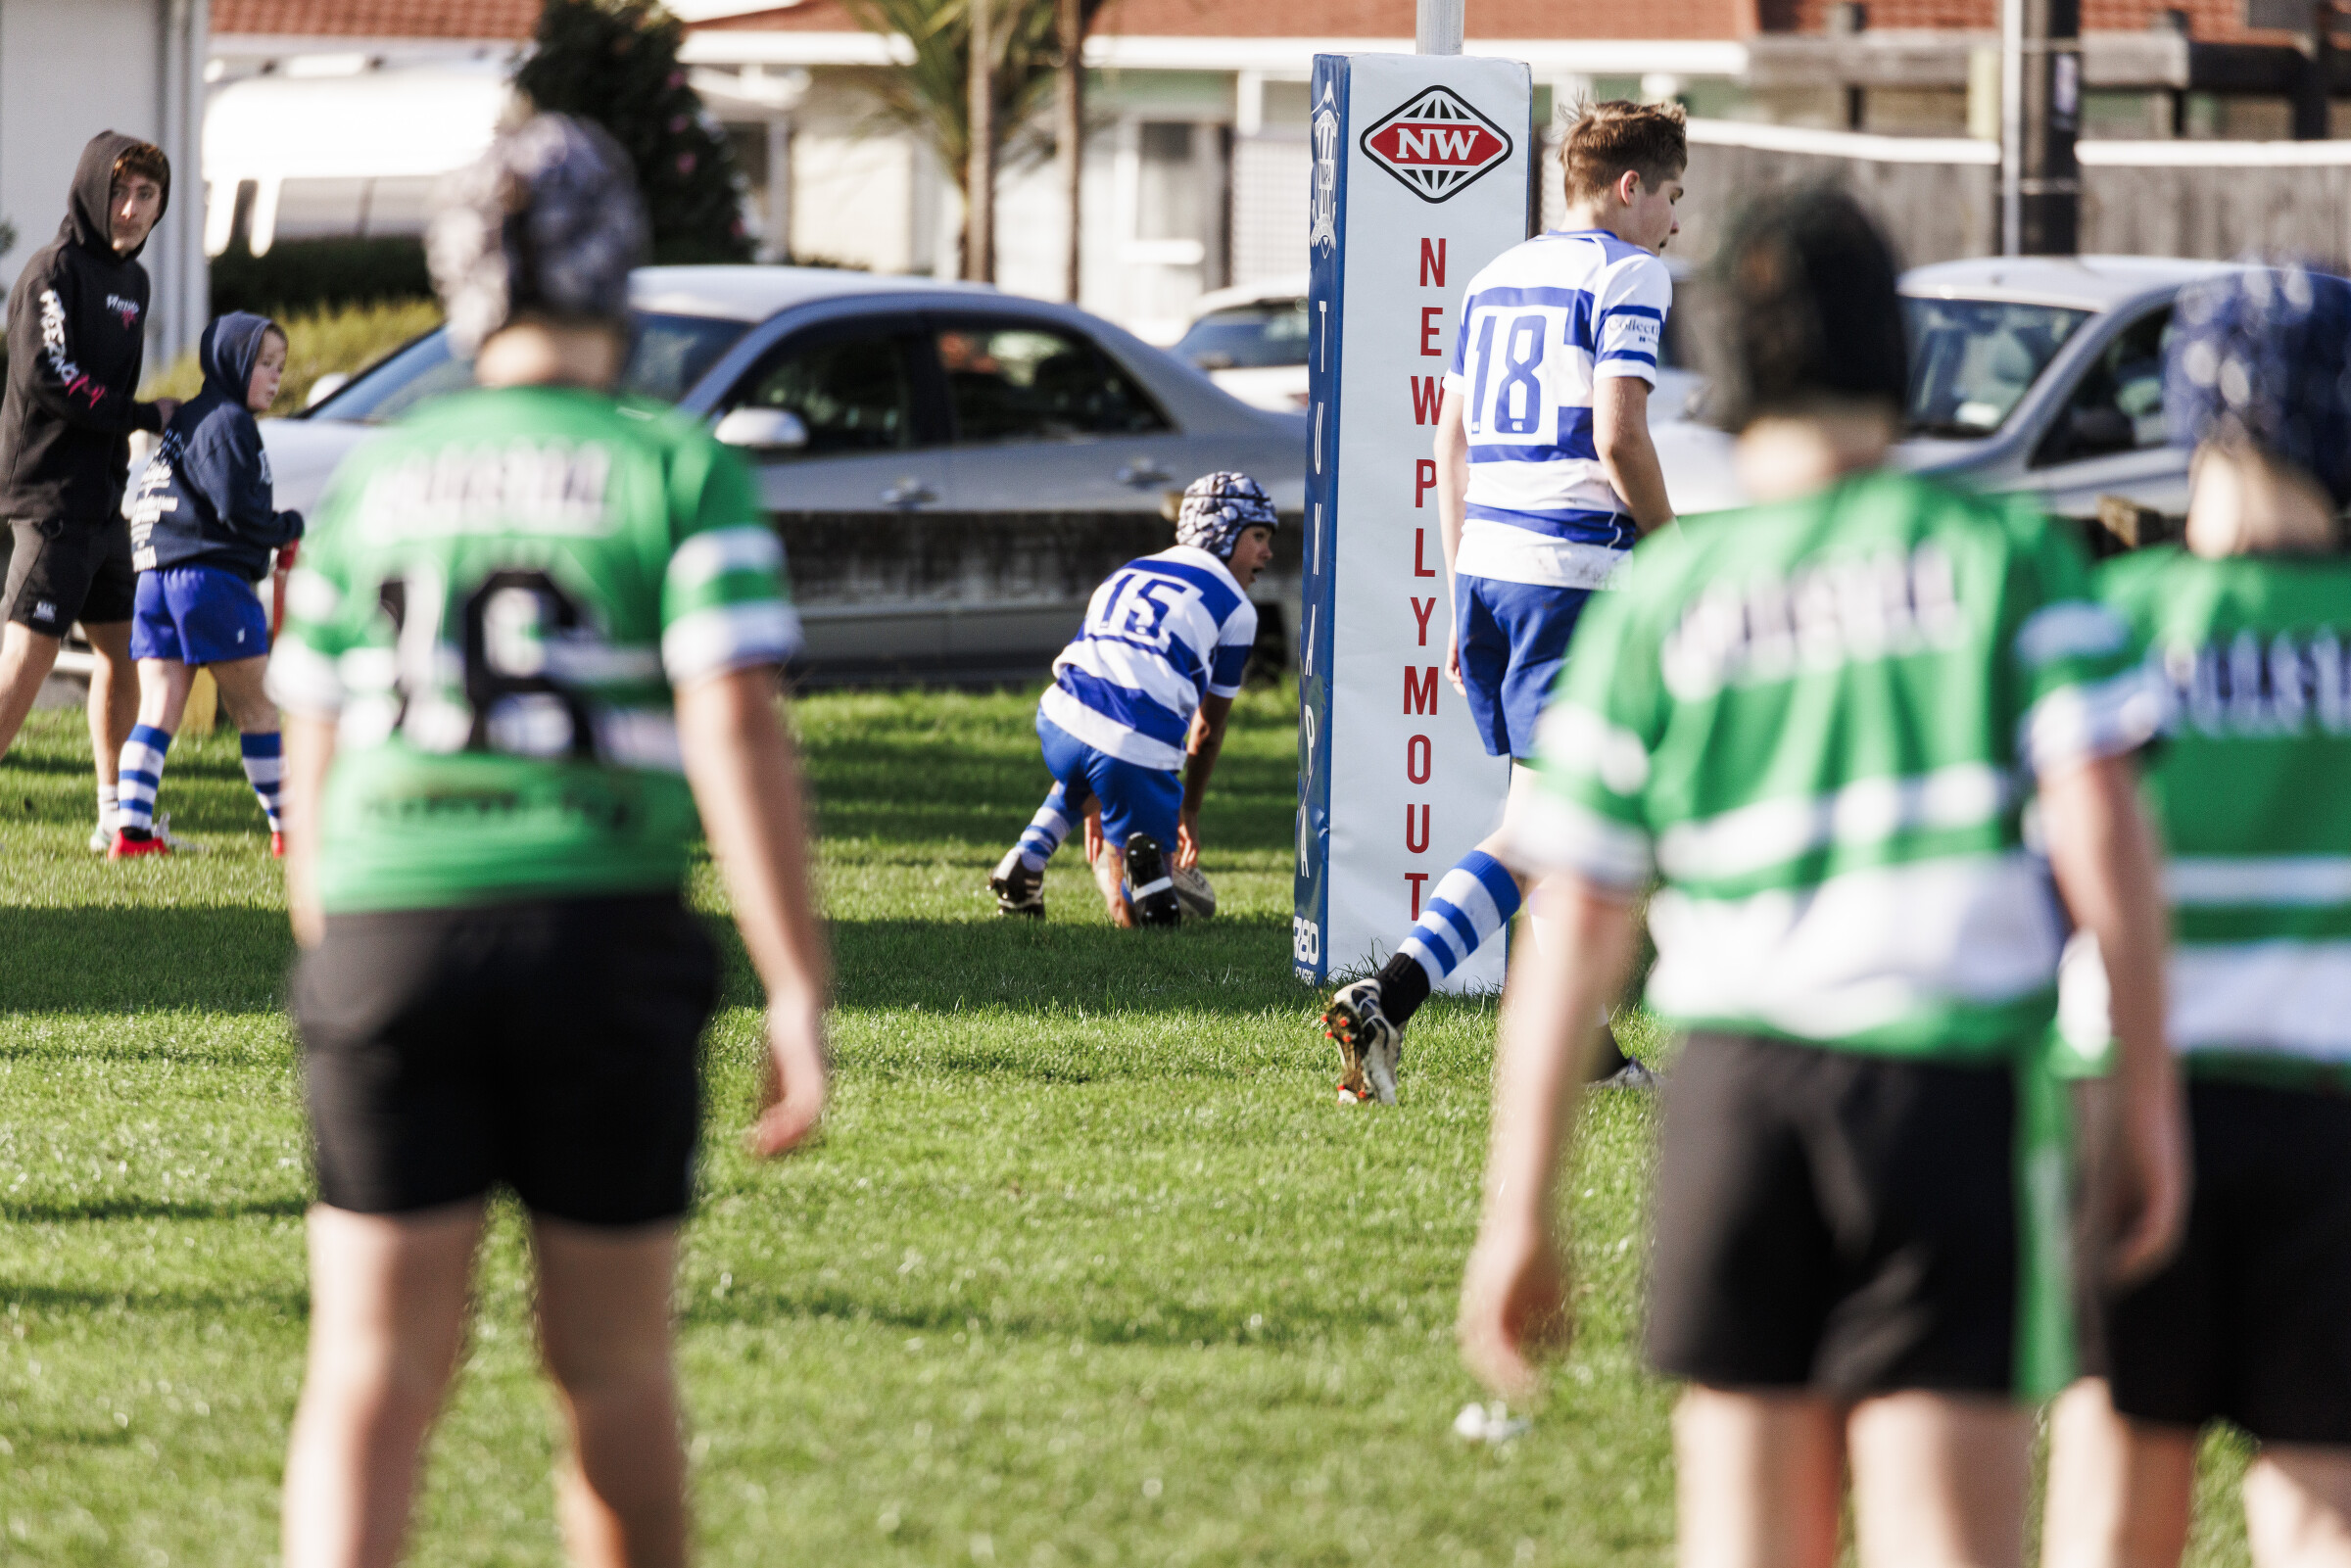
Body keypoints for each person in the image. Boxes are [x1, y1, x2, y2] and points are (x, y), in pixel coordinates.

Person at [1456, 189, 2187, 1568]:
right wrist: (2147, 1099)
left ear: (1722, 368)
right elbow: (2110, 850)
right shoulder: (2010, 562)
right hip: (1948, 1091)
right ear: (1892, 356)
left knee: (1743, 1538)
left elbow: (1577, 927)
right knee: (1945, 1539)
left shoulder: (1662, 603)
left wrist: (1521, 1209)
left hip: (1739, 1097)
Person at [268, 115, 829, 1568]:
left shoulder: (374, 481)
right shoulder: (675, 467)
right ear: (617, 271)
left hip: (388, 935)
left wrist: (340, 947)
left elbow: (312, 744)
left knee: (371, 1374)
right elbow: (735, 725)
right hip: (600, 931)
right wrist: (795, 982)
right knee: (612, 1371)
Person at [2039, 265, 2351, 1568]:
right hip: (2332, 1114)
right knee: (2325, 1508)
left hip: (2127, 1098)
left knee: (2115, 1500)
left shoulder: (2108, 626)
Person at [1318, 100, 1687, 1104]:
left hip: (1489, 566)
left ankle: (1590, 1055)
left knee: (1556, 815)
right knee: (1542, 832)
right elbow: (1619, 435)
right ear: (1629, 187)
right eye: (1671, 196)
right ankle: (1390, 993)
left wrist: (1456, 584)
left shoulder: (1494, 275)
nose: (1674, 222)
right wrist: (1677, 551)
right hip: (1572, 575)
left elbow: (1450, 440)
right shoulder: (1629, 273)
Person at [987, 471, 1271, 927]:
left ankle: (1027, 857)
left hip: (1060, 718)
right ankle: (1148, 888)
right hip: (1132, 745)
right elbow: (1207, 730)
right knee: (1134, 914)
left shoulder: (1131, 569)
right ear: (1221, 531)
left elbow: (1105, 670)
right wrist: (1189, 809)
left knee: (1091, 776)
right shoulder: (1237, 610)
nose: (1267, 552)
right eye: (1258, 536)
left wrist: (1105, 785)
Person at [0, 132, 179, 849]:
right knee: (25, 662)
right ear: (90, 190)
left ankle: (118, 818)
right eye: (118, 192)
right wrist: (142, 415)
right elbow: (51, 376)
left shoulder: (135, 283)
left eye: (145, 195)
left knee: (123, 653)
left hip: (106, 504)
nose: (129, 208)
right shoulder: (53, 271)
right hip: (51, 503)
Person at [109, 310, 304, 858]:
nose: (275, 376)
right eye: (264, 363)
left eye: (280, 366)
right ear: (231, 361)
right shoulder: (228, 422)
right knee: (258, 709)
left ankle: (133, 832)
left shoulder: (190, 420)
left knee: (158, 708)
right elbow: (237, 509)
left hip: (154, 577)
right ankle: (292, 830)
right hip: (208, 580)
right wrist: (286, 527)